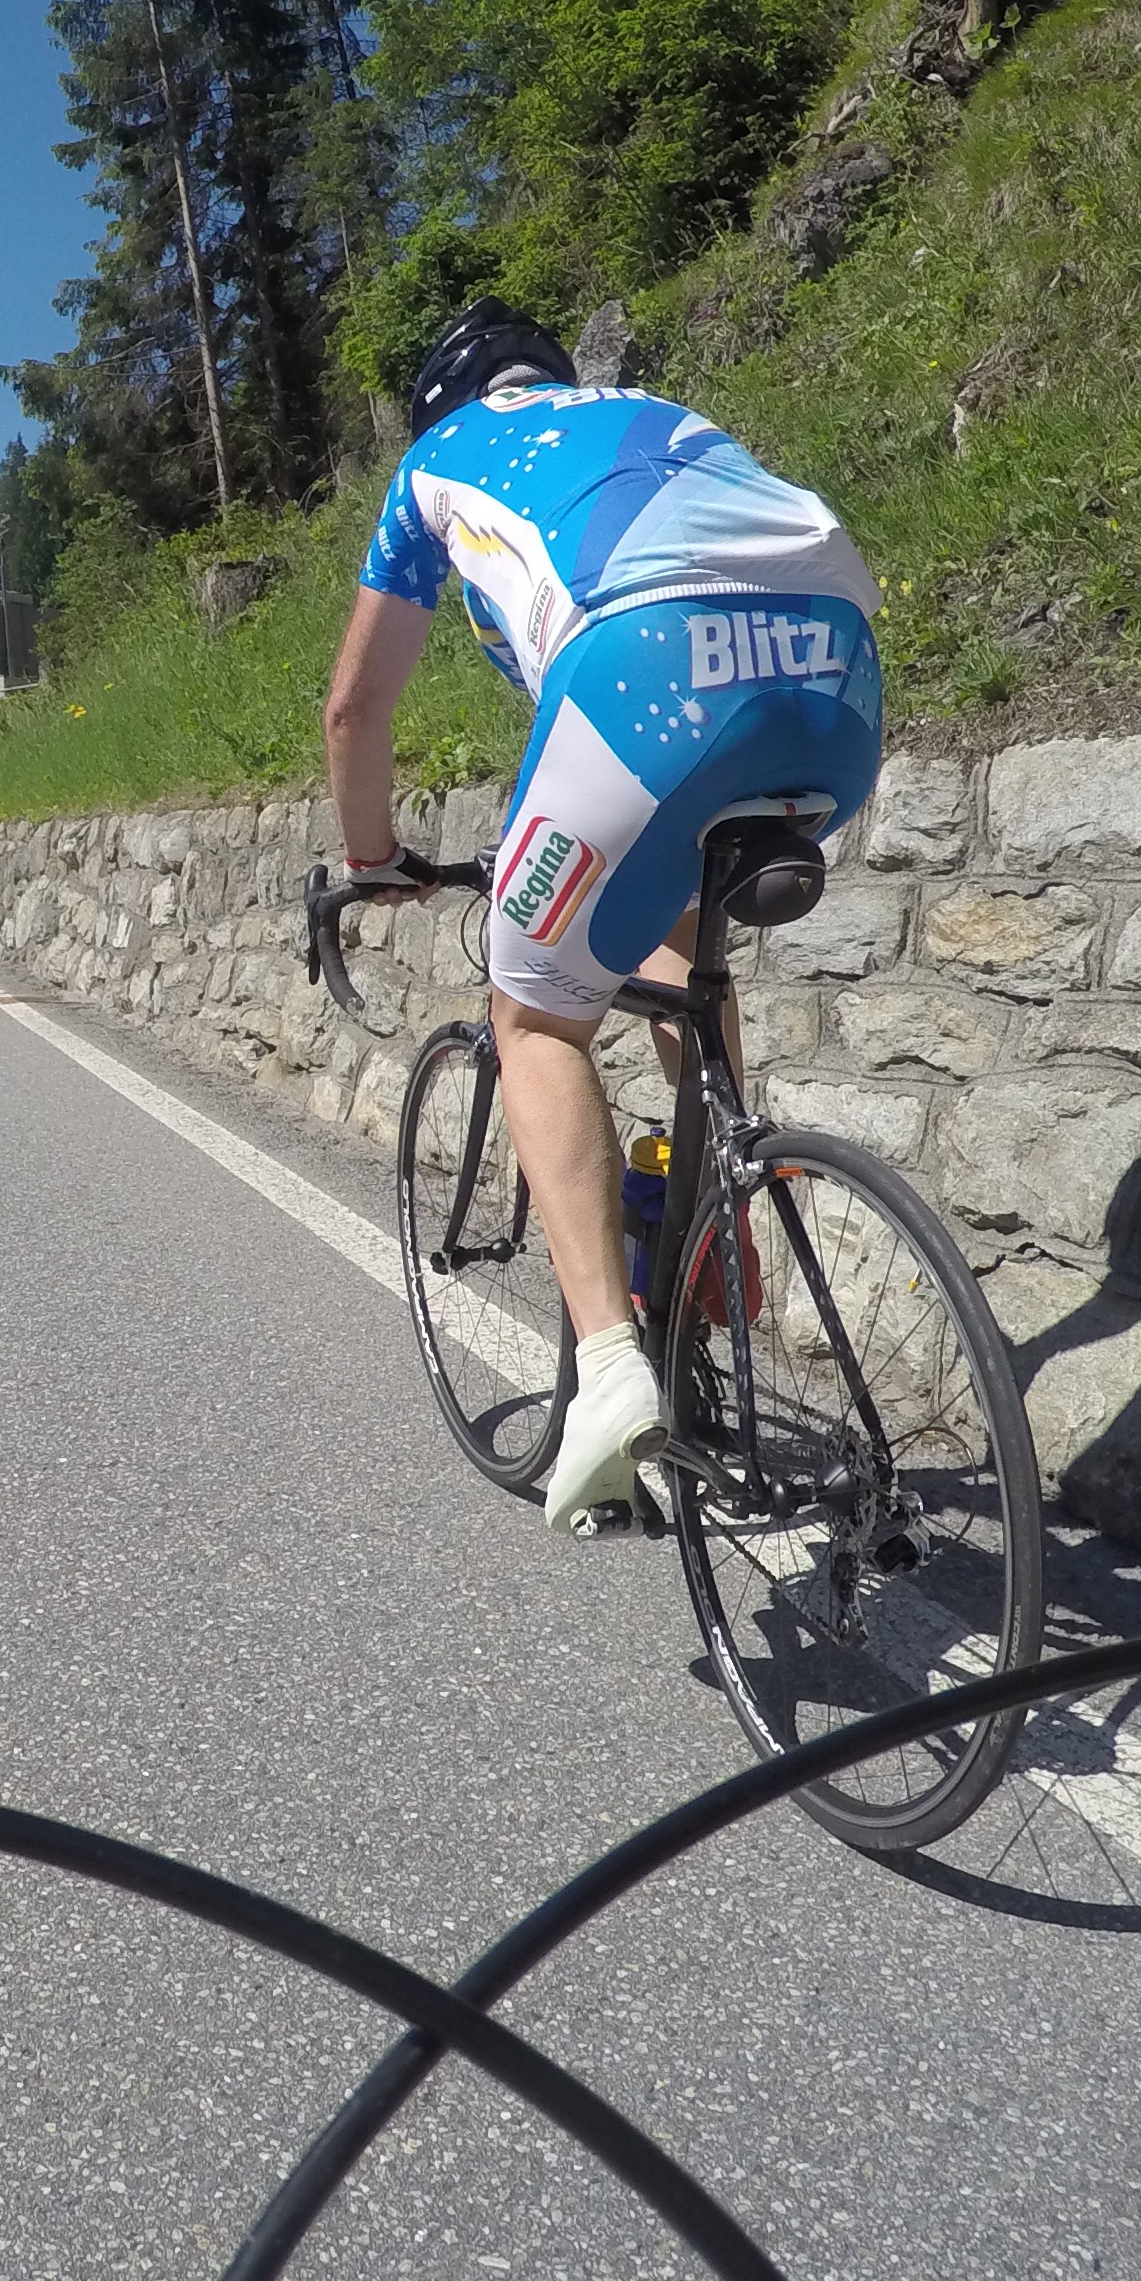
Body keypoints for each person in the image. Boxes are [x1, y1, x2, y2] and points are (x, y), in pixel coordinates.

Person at [322, 296, 883, 1532]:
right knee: (685, 946)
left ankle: (610, 1365)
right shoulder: (649, 410)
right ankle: (718, 1205)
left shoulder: (436, 462)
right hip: (835, 675)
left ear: (442, 407)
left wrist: (371, 857)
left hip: (649, 671)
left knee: (533, 1017)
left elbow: (355, 709)